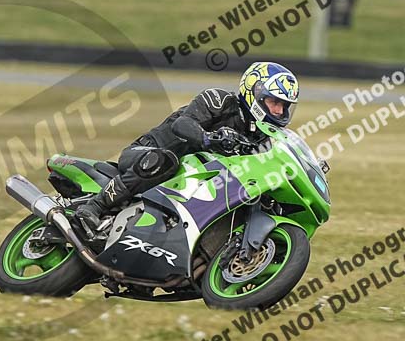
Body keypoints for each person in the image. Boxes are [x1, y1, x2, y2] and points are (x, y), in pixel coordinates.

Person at [74, 62, 300, 231]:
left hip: (188, 180)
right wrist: (208, 138)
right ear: (255, 92)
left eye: (284, 106)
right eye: (274, 102)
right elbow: (182, 124)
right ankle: (94, 206)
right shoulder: (219, 100)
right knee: (166, 161)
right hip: (147, 155)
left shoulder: (261, 137)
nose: (279, 111)